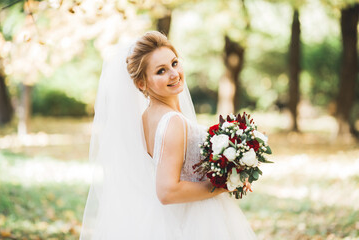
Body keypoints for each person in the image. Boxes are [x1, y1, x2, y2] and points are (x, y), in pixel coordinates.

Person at [80, 31, 257, 239]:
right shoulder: (172, 122)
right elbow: (167, 192)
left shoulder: (148, 117)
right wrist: (223, 185)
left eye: (174, 63)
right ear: (141, 84)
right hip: (195, 221)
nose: (174, 74)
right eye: (161, 71)